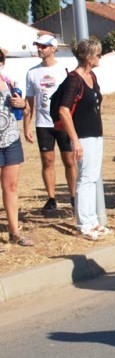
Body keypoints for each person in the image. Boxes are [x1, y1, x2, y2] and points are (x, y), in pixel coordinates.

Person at [57, 38, 110, 241]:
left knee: (92, 177)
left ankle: (92, 220)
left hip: (95, 133)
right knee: (85, 178)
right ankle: (84, 224)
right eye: (97, 54)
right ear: (88, 57)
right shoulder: (74, 79)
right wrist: (75, 141)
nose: (100, 57)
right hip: (82, 136)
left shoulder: (91, 76)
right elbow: (64, 110)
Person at [23, 35, 78, 212]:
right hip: (43, 124)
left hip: (61, 122)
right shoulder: (32, 73)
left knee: (69, 160)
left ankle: (74, 197)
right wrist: (26, 126)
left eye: (43, 46)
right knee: (47, 161)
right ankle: (51, 198)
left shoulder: (64, 70)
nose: (40, 49)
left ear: (53, 49)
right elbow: (29, 102)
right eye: (38, 46)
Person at [1, 50, 32, 248]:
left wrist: (23, 105)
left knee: (11, 187)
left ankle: (15, 232)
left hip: (10, 139)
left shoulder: (9, 82)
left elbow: (26, 110)